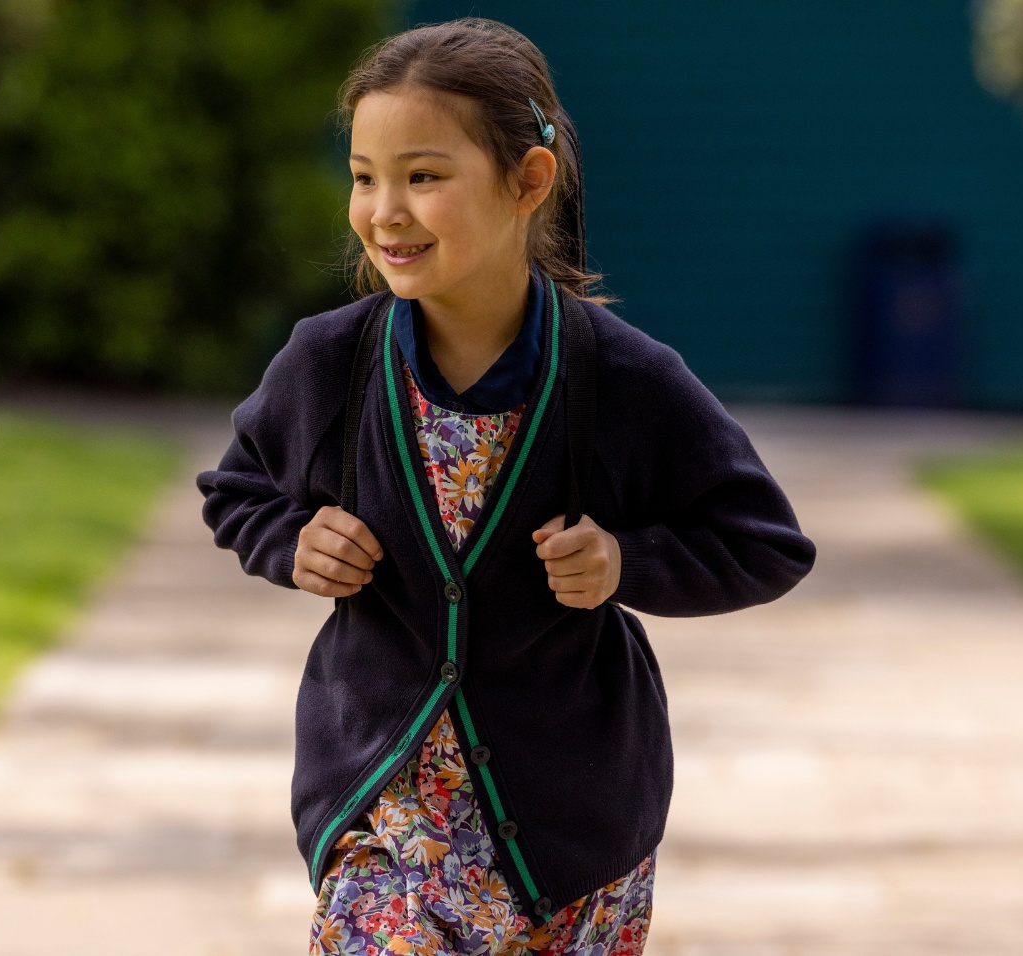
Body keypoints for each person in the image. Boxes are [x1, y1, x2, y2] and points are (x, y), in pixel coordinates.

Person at [196, 18, 816, 955]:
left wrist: (624, 561)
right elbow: (237, 489)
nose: (384, 210)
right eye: (365, 176)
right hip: (383, 814)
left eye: (424, 175)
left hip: (576, 830)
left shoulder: (625, 378)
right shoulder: (329, 363)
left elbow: (765, 543)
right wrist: (293, 542)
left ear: (528, 181)